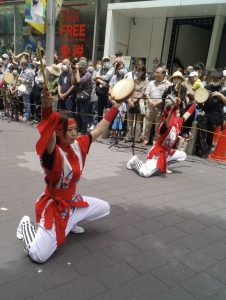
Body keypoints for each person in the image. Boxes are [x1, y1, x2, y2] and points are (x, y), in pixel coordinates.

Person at [16, 89, 123, 263]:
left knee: (105, 208)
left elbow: (98, 130)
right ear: (58, 132)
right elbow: (47, 133)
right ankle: (26, 225)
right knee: (38, 256)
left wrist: (115, 108)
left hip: (71, 200)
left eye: (75, 129)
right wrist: (45, 106)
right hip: (54, 204)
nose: (75, 133)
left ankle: (70, 221)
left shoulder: (78, 144)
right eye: (70, 130)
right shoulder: (52, 152)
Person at [127, 98, 196, 177]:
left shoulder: (178, 122)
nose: (179, 114)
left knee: (182, 155)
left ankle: (163, 165)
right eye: (177, 113)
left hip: (167, 152)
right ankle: (134, 160)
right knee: (145, 173)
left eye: (178, 113)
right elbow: (168, 118)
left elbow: (187, 114)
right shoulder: (164, 125)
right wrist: (175, 107)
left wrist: (195, 105)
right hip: (157, 153)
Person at [143, 67, 171, 146]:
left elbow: (167, 97)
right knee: (147, 125)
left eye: (158, 73)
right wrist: (151, 102)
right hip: (150, 107)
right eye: (155, 72)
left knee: (158, 126)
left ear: (163, 74)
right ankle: (145, 140)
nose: (156, 74)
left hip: (159, 108)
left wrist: (156, 103)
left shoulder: (168, 84)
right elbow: (146, 93)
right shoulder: (151, 83)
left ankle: (155, 141)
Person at [126, 65, 149, 142]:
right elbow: (129, 91)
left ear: (143, 72)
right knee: (129, 120)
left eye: (139, 70)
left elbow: (143, 92)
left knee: (139, 121)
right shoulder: (133, 80)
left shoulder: (146, 81)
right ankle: (128, 136)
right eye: (136, 70)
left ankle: (137, 138)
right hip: (130, 101)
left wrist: (135, 100)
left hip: (140, 102)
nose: (137, 72)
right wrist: (130, 100)